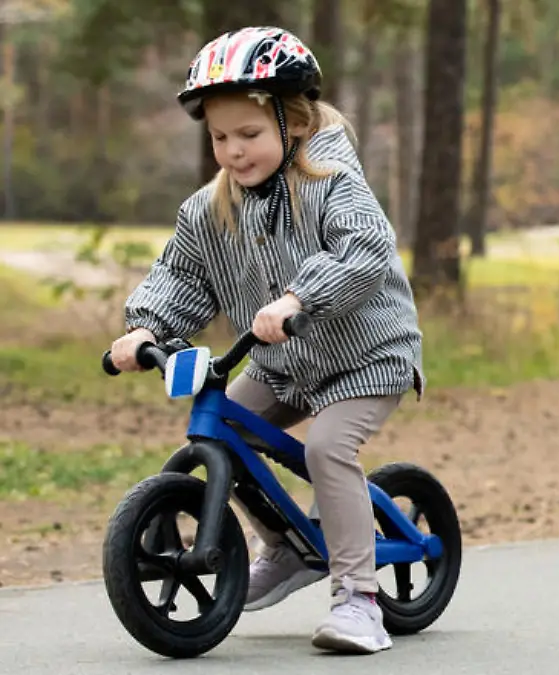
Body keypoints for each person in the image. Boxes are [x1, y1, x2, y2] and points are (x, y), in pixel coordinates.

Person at [107, 26, 423, 655]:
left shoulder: (331, 179)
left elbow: (363, 247)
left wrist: (301, 296)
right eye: (220, 137)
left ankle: (359, 598)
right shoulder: (209, 209)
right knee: (225, 429)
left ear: (294, 121)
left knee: (330, 448)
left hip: (368, 355)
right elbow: (180, 274)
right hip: (285, 362)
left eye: (249, 135)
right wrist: (145, 326)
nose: (233, 150)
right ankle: (286, 548)